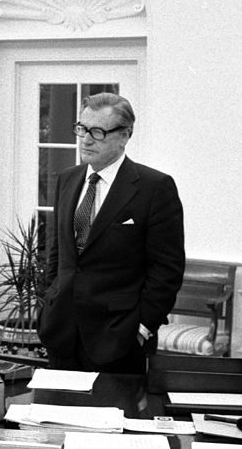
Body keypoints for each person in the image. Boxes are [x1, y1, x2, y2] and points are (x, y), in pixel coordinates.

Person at [38, 92, 185, 374]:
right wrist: (48, 306)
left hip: (118, 340)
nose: (86, 139)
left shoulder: (155, 188)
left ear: (124, 136)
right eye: (81, 129)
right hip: (62, 335)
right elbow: (57, 254)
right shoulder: (68, 180)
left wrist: (142, 328)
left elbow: (167, 270)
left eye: (97, 132)